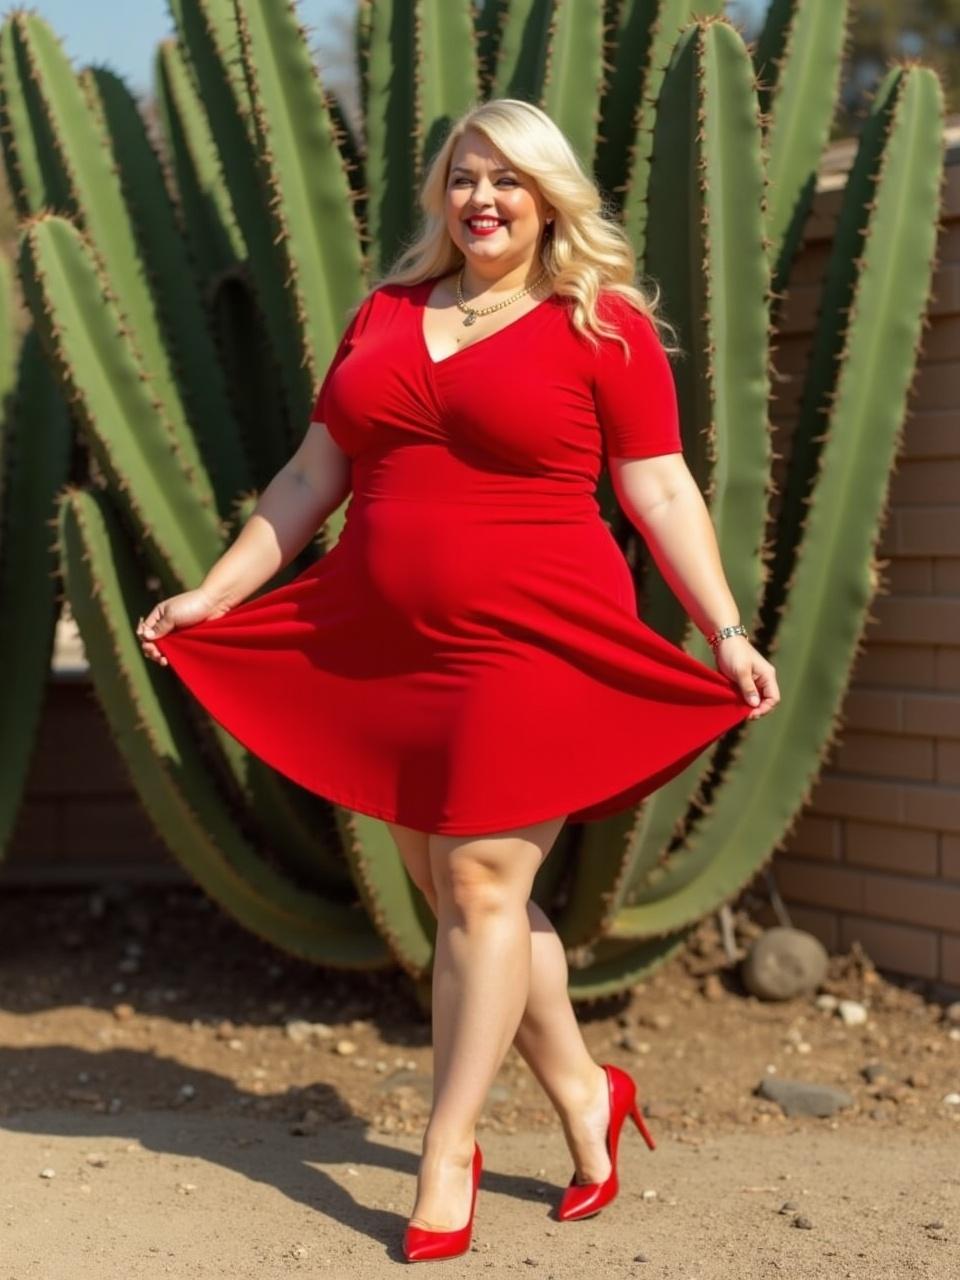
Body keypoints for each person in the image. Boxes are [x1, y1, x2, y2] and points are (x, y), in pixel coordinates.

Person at [136, 97, 779, 1262]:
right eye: (464, 177)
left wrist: (723, 626)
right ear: (442, 192)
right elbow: (308, 472)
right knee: (457, 884)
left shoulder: (603, 321)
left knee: (482, 874)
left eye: (509, 181)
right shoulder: (386, 310)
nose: (483, 198)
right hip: (389, 638)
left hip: (533, 636)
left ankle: (448, 1146)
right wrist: (216, 592)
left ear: (548, 199)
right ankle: (588, 1089)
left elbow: (662, 487)